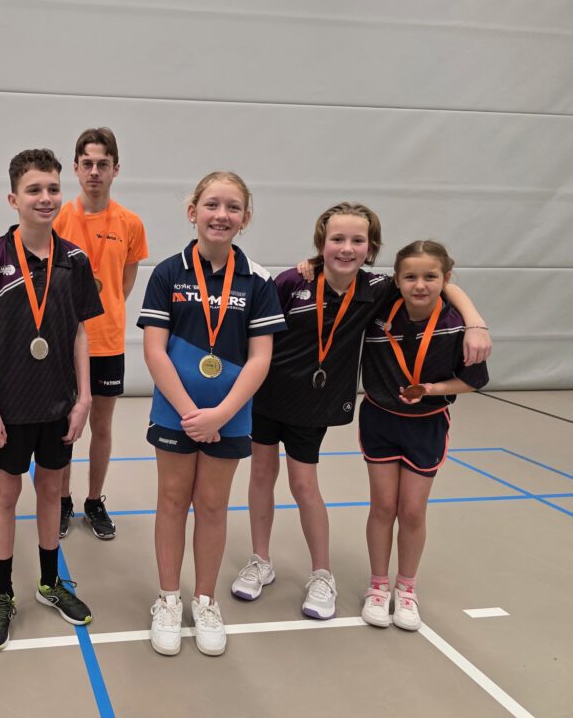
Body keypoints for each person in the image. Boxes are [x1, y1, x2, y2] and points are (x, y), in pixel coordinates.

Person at [235, 203, 491, 620]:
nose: (347, 248)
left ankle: (322, 574)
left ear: (371, 248)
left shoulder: (378, 289)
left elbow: (438, 284)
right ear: (321, 243)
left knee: (304, 485)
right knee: (261, 477)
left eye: (357, 240)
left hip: (313, 405)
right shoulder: (292, 282)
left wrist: (476, 322)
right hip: (266, 396)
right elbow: (259, 334)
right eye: (337, 239)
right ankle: (260, 560)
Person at [138, 172, 286, 657]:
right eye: (212, 204)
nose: (221, 215)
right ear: (192, 212)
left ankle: (205, 601)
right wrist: (190, 413)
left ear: (245, 218)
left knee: (214, 506)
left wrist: (220, 414)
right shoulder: (167, 273)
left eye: (233, 207)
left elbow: (260, 358)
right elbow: (154, 350)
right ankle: (168, 599)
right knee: (172, 501)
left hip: (231, 417)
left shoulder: (258, 281)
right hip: (174, 413)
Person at [0, 149, 103, 651]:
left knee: (49, 491)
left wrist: (84, 398)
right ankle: (3, 594)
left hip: (58, 403)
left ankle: (48, 582)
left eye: (52, 189)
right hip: (9, 406)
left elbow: (81, 332)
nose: (45, 198)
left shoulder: (75, 260)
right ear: (13, 198)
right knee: (5, 495)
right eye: (34, 190)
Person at [358, 241, 488, 631]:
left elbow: (471, 381)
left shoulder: (456, 326)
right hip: (380, 421)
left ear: (446, 279)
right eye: (410, 277)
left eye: (430, 277)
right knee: (383, 507)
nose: (420, 285)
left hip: (427, 425)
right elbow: (342, 276)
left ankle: (407, 588)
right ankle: (378, 587)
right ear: (396, 281)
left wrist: (430, 390)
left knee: (412, 511)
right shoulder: (380, 310)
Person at [53, 128, 148, 540]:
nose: (94, 171)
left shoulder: (131, 223)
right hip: (63, 341)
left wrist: (101, 313)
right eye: (87, 164)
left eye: (102, 164)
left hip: (107, 341)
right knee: (64, 427)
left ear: (115, 169)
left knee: (102, 427)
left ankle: (94, 500)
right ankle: (62, 500)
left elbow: (124, 284)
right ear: (76, 169)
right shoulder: (58, 218)